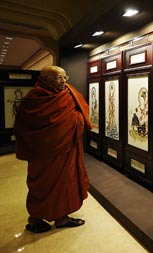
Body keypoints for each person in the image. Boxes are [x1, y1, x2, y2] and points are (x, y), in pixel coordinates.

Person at [14, 66, 92, 233]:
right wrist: (72, 120)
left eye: (65, 77)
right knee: (41, 185)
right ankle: (35, 218)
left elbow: (81, 114)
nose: (64, 81)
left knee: (64, 184)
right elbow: (24, 127)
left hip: (65, 151)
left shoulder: (68, 94)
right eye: (58, 78)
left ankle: (61, 217)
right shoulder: (33, 100)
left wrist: (76, 119)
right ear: (46, 79)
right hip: (42, 155)